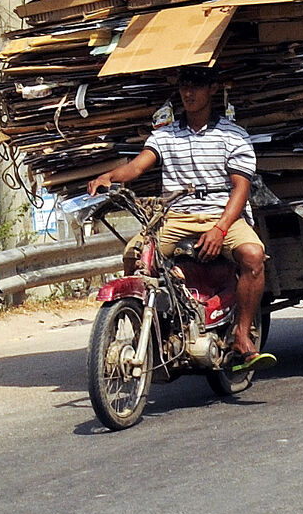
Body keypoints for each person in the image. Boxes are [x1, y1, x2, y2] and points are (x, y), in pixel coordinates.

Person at [85, 63, 271, 368]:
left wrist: (221, 229)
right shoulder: (165, 135)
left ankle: (241, 333)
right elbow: (136, 167)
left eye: (196, 85)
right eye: (184, 86)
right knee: (134, 255)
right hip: (176, 217)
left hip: (222, 216)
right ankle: (152, 328)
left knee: (253, 256)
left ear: (212, 89)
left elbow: (240, 190)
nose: (188, 92)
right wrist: (109, 176)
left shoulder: (234, 135)